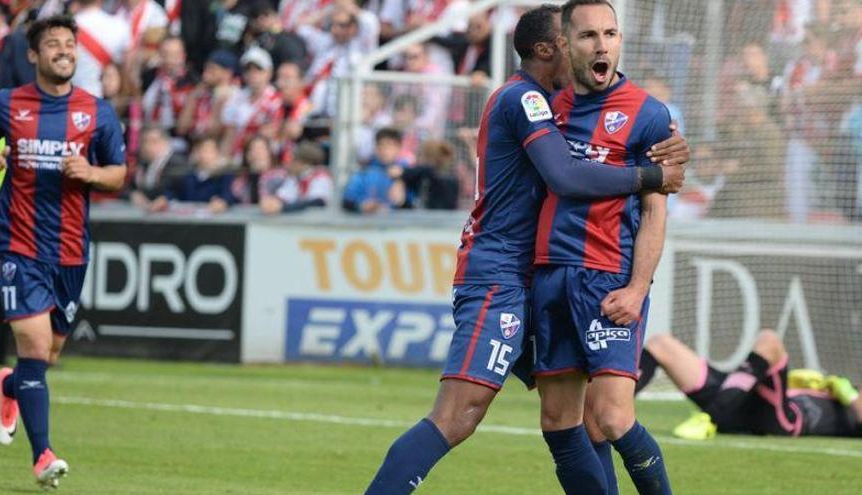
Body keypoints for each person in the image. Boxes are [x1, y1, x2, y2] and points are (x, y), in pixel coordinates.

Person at [363, 6, 689, 494]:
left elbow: (624, 134)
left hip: (543, 277)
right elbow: (566, 175)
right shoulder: (526, 100)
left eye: (606, 35)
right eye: (577, 38)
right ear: (550, 49)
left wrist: (669, 147)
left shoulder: (586, 104)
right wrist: (654, 174)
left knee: (587, 422)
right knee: (459, 414)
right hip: (499, 274)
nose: (592, 47)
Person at [530, 1, 676, 493]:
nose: (602, 44)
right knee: (563, 421)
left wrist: (637, 288)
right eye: (589, 35)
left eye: (610, 33)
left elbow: (656, 211)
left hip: (608, 277)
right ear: (567, 44)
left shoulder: (648, 113)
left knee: (612, 418)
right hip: (549, 276)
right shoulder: (545, 105)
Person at [0, 15, 126, 488]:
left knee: (48, 356)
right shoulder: (7, 104)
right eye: (54, 45)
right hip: (17, 242)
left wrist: (90, 173)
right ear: (34, 55)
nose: (64, 51)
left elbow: (118, 174)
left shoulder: (97, 112)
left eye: (70, 44)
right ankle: (42, 455)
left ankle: (9, 385)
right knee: (35, 345)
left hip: (69, 249)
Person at [637, 330, 862, 439]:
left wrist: (849, 394)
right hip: (742, 402)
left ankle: (712, 416)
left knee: (769, 340)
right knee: (660, 344)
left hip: (783, 420)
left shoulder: (852, 398)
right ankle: (610, 410)